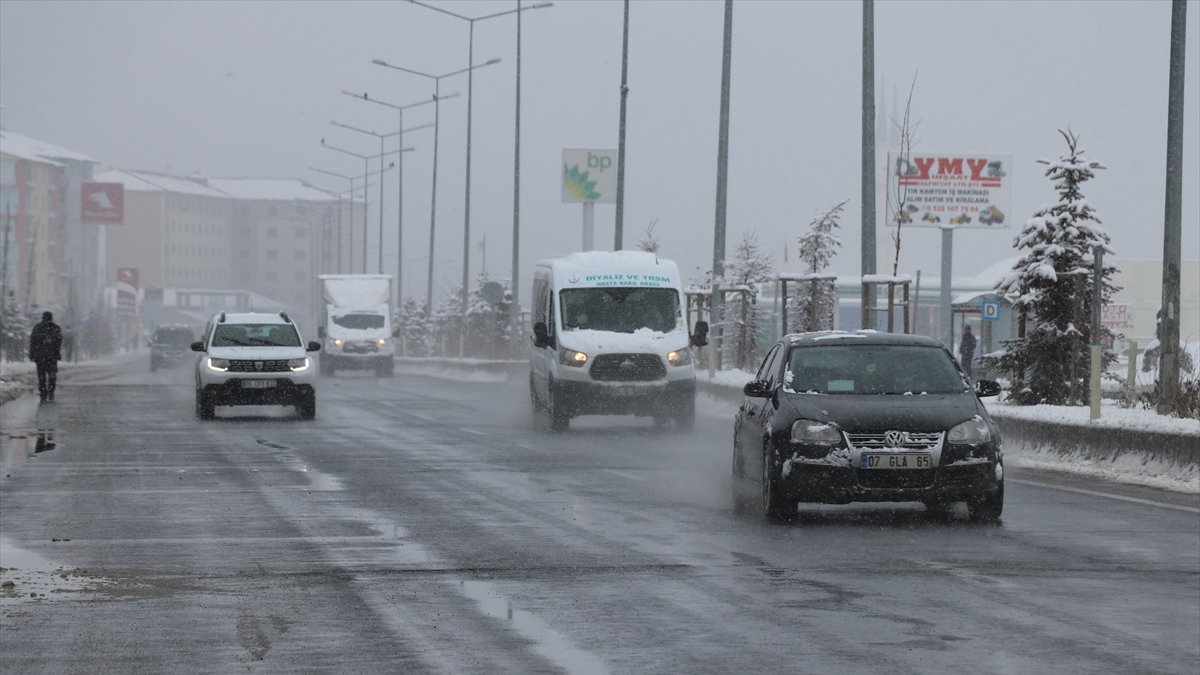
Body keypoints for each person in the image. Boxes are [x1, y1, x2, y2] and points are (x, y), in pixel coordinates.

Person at [28, 311, 63, 403]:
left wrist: (56, 352)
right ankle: (43, 392)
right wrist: (32, 354)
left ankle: (50, 390)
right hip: (41, 356)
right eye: (45, 319)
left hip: (51, 356)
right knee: (41, 377)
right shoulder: (38, 328)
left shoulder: (55, 328)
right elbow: (33, 342)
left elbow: (58, 342)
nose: (46, 321)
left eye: (48, 319)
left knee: (52, 376)